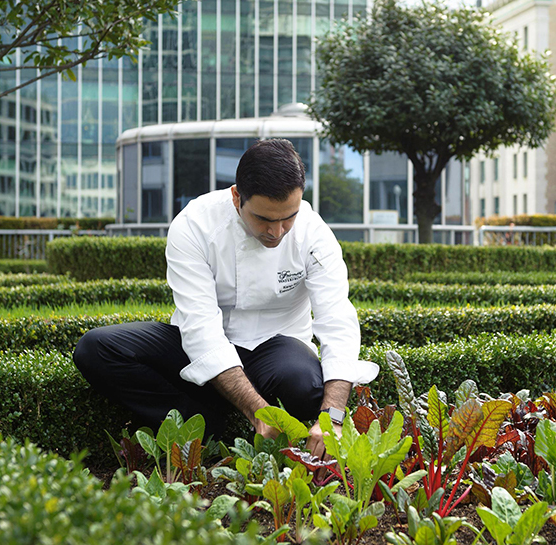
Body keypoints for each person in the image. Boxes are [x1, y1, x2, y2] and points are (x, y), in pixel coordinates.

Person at [73, 139, 378, 459]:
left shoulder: (314, 233)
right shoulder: (194, 226)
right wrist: (257, 411)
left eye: (288, 217)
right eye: (263, 219)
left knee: (304, 384)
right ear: (236, 197)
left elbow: (337, 320)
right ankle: (205, 427)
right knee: (97, 349)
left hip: (277, 352)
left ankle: (221, 417)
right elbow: (201, 328)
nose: (277, 232)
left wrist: (332, 419)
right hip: (196, 352)